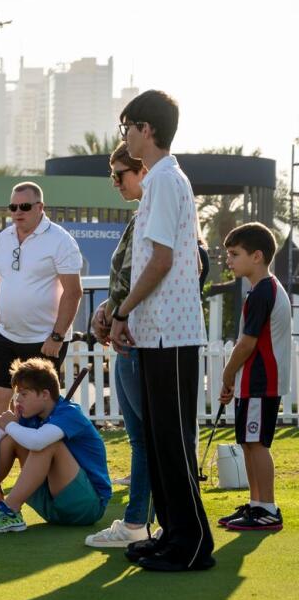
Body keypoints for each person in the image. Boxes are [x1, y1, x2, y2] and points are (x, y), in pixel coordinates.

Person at [109, 90, 214, 571]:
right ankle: (172, 534)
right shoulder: (158, 182)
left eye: (127, 126)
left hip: (171, 333)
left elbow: (164, 261)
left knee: (173, 443)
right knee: (158, 439)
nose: (125, 134)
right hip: (157, 333)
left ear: (146, 129)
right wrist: (130, 315)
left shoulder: (166, 181)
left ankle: (191, 545)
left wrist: (122, 311)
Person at [0, 358, 111, 533]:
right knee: (9, 440)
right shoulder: (29, 416)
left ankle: (10, 509)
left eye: (24, 394)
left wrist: (10, 424)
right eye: (17, 394)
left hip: (87, 506)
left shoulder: (69, 414)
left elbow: (37, 442)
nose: (18, 400)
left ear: (45, 394)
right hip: (51, 506)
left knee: (47, 444)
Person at [85, 143, 155, 547]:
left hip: (142, 337)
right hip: (131, 335)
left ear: (142, 170)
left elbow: (158, 270)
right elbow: (130, 277)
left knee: (148, 439)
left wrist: (120, 313)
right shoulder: (140, 215)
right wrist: (110, 308)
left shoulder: (156, 210)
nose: (114, 183)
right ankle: (145, 523)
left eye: (120, 174)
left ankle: (135, 524)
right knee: (144, 439)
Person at [0, 182, 83, 436]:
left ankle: (43, 468)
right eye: (13, 207)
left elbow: (73, 292)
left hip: (45, 340)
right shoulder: (3, 238)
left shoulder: (61, 240)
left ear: (40, 207)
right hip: (6, 335)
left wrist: (57, 336)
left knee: (39, 406)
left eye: (25, 206)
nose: (18, 212)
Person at [218, 222, 289, 531]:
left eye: (235, 254)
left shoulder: (263, 291)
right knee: (248, 442)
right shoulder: (260, 290)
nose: (229, 261)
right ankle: (257, 504)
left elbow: (247, 343)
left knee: (257, 443)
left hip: (261, 381)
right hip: (254, 382)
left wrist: (227, 373)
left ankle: (268, 508)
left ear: (257, 256)